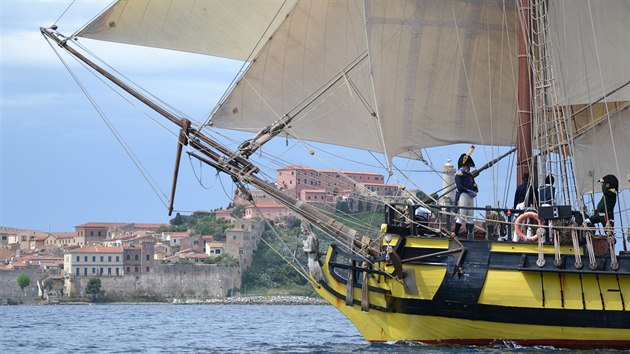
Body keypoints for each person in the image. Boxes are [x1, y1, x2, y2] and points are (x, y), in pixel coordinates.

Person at [452, 147, 478, 239]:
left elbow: (474, 184)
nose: (468, 168)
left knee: (470, 215)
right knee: (461, 215)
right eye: (467, 166)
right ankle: (455, 233)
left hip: (470, 196)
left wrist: (474, 191)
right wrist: (468, 191)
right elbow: (459, 187)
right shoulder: (459, 175)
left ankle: (469, 234)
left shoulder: (469, 176)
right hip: (462, 195)